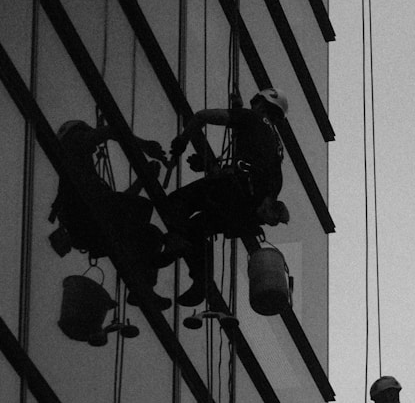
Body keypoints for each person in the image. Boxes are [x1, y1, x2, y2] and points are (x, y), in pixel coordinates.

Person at [162, 90, 290, 306]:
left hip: (234, 190)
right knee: (197, 228)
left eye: (255, 104)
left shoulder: (253, 117)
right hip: (245, 210)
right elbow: (264, 177)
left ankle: (175, 241)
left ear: (260, 104)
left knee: (176, 202)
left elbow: (202, 116)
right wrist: (209, 166)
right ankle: (201, 283)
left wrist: (182, 140)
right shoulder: (276, 147)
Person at [49, 119, 174, 308]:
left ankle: (143, 289)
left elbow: (121, 204)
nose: (94, 147)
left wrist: (143, 180)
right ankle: (139, 264)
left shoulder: (88, 175)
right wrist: (142, 146)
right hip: (83, 221)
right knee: (141, 209)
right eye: (88, 136)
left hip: (91, 228)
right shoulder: (73, 148)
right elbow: (111, 130)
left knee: (151, 235)